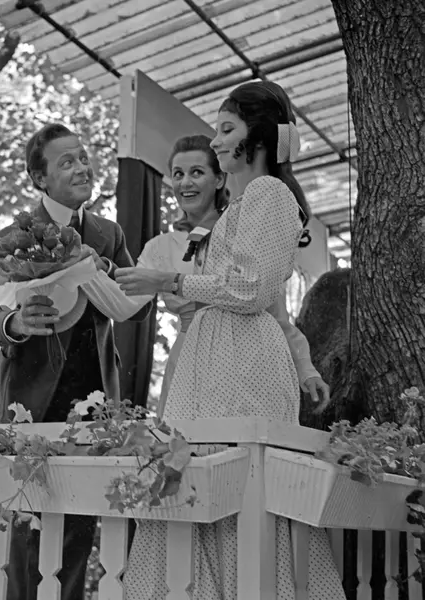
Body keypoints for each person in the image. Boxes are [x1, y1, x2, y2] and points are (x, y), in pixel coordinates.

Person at [116, 81, 345, 599]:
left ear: (257, 137)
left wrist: (170, 281)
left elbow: (252, 290)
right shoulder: (245, 204)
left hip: (242, 361)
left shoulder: (267, 193)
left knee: (230, 485)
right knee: (202, 482)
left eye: (226, 130)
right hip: (218, 358)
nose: (216, 142)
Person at [0, 123, 150, 600]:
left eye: (83, 157)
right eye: (66, 161)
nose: (82, 167)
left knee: (77, 533)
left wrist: (106, 267)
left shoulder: (109, 234)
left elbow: (138, 304)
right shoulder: (11, 237)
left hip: (94, 405)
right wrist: (16, 321)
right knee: (24, 533)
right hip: (30, 403)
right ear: (40, 178)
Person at [137, 134, 329, 418]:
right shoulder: (161, 246)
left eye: (196, 172)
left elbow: (274, 309)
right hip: (188, 357)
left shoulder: (243, 230)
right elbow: (124, 301)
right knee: (179, 440)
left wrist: (305, 366)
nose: (185, 183)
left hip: (240, 356)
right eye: (178, 174)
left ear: (219, 179)